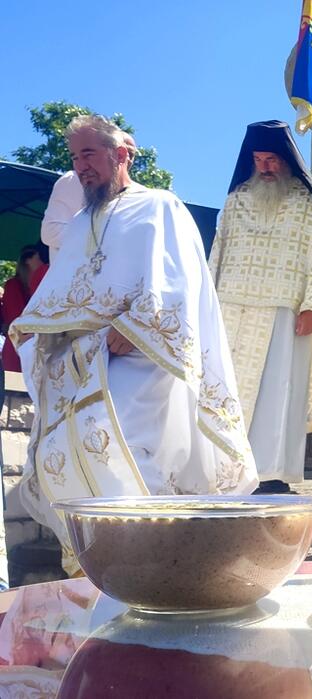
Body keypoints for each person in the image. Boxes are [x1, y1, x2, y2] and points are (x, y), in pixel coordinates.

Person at [9, 115, 257, 574]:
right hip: (84, 358)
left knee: (117, 432)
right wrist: (36, 329)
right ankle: (101, 566)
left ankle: (154, 563)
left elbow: (180, 282)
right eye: (74, 157)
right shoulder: (81, 223)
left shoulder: (160, 206)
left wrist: (137, 326)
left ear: (120, 154)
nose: (80, 167)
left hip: (143, 355)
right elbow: (63, 291)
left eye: (89, 154)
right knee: (57, 446)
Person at [211, 120, 312, 494]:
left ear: (287, 160)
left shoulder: (305, 203)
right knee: (227, 394)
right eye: (259, 159)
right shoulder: (236, 200)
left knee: (278, 395)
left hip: (285, 311)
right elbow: (218, 253)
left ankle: (271, 474)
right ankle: (225, 469)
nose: (265, 167)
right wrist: (208, 302)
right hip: (232, 309)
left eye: (272, 159)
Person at [42, 134, 136, 265]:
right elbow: (50, 232)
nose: (128, 157)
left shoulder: (136, 195)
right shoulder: (73, 180)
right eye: (125, 150)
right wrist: (105, 237)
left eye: (132, 153)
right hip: (73, 276)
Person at [1, 246, 47, 373]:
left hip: (37, 351)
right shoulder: (13, 285)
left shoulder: (40, 285)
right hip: (17, 350)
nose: (43, 263)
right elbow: (16, 319)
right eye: (39, 258)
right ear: (28, 260)